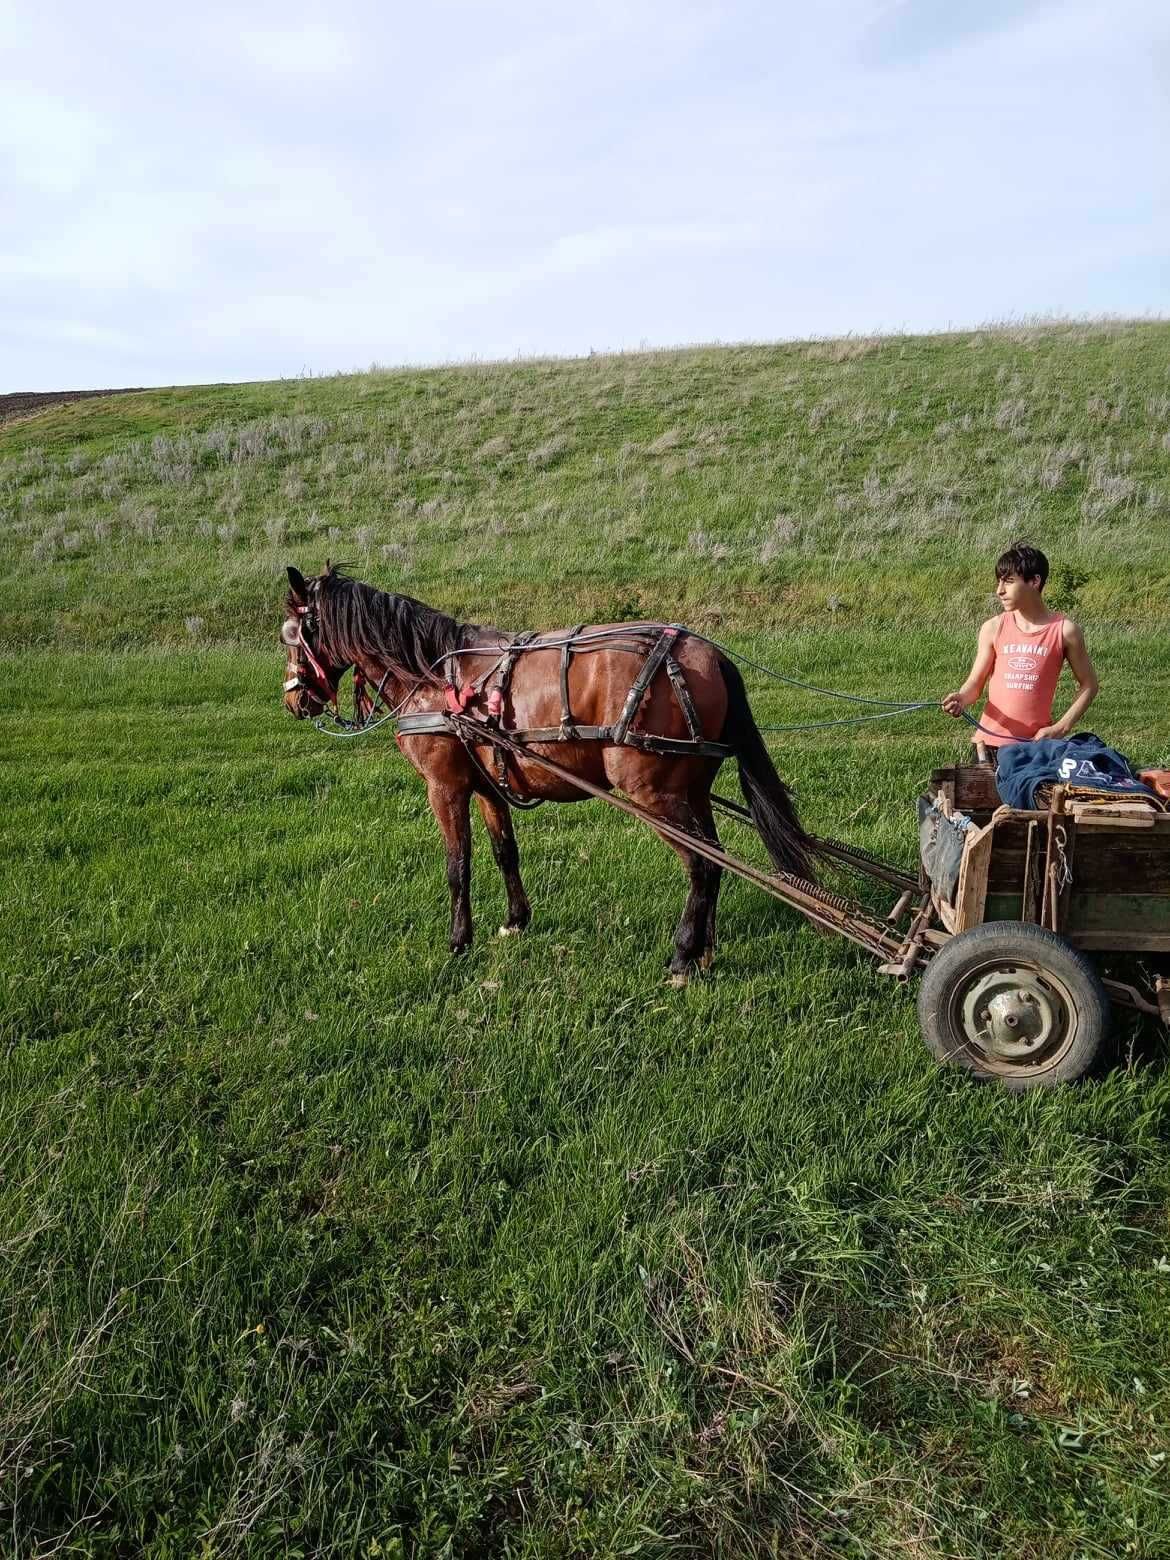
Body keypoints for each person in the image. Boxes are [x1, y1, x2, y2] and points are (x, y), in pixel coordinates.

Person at [941, 542, 1099, 763]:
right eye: (999, 581)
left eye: (1009, 581)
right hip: (988, 747)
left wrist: (1060, 728)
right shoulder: (993, 627)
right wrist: (961, 698)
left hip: (1034, 748)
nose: (999, 590)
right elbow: (975, 685)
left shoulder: (1064, 631)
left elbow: (1090, 685)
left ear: (1034, 581)